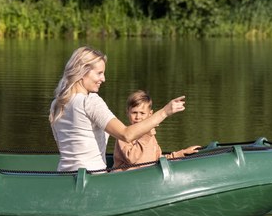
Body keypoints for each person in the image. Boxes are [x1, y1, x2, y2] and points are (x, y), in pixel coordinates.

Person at [50, 46, 188, 173]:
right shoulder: (90, 101)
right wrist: (164, 112)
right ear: (82, 71)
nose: (103, 79)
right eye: (99, 73)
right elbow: (126, 135)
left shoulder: (56, 104)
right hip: (91, 178)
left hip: (64, 176)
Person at [112, 90, 201, 171]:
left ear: (150, 114)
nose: (138, 117)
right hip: (126, 179)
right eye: (134, 112)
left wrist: (182, 153)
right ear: (127, 112)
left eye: (142, 113)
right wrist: (146, 136)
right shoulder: (123, 136)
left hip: (146, 179)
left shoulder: (151, 136)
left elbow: (159, 159)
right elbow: (131, 158)